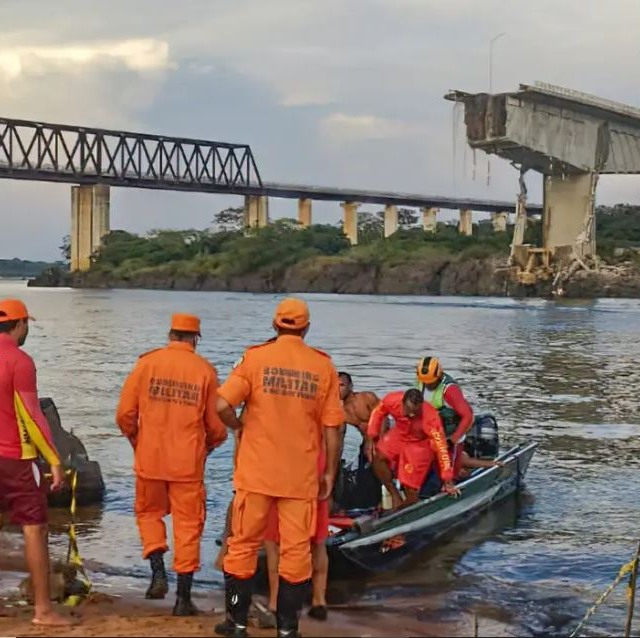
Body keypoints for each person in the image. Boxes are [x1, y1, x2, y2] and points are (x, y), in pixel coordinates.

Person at [214, 297, 344, 638]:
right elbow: (333, 428)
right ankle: (288, 629)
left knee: (242, 544)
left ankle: (237, 623)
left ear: (275, 325)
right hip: (300, 478)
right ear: (306, 328)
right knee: (296, 551)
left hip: (256, 474)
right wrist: (329, 472)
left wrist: (238, 426)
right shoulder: (323, 366)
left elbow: (221, 404)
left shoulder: (255, 359)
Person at [116, 313, 227, 616]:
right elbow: (216, 427)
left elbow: (125, 414)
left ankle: (157, 573)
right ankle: (183, 599)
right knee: (188, 526)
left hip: (149, 459)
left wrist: (139, 441)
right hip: (187, 464)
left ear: (170, 334)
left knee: (149, 514)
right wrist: (208, 446)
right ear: (196, 338)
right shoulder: (205, 371)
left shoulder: (146, 364)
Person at [0, 298, 75, 627]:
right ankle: (43, 611)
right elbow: (32, 415)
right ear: (19, 325)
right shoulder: (19, 360)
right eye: (26, 323)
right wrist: (54, 459)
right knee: (34, 528)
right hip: (16, 456)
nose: (27, 329)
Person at [263, 437, 330, 622]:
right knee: (317, 540)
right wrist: (330, 471)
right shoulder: (320, 408)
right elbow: (333, 432)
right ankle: (319, 600)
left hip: (279, 467)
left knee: (273, 541)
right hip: (314, 464)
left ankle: (276, 602)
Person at [366, 388, 459, 510]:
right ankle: (394, 493)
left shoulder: (430, 418)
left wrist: (447, 479)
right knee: (377, 455)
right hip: (400, 432)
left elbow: (441, 449)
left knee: (410, 488)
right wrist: (371, 436)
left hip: (419, 443)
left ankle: (403, 510)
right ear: (402, 402)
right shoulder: (392, 400)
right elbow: (378, 412)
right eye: (408, 410)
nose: (411, 415)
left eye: (415, 412)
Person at [415, 356, 474, 477]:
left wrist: (453, 440)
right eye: (425, 382)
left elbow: (467, 416)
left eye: (430, 383)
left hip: (450, 436)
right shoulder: (421, 382)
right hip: (431, 435)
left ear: (438, 375)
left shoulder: (450, 390)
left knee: (449, 474)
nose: (427, 385)